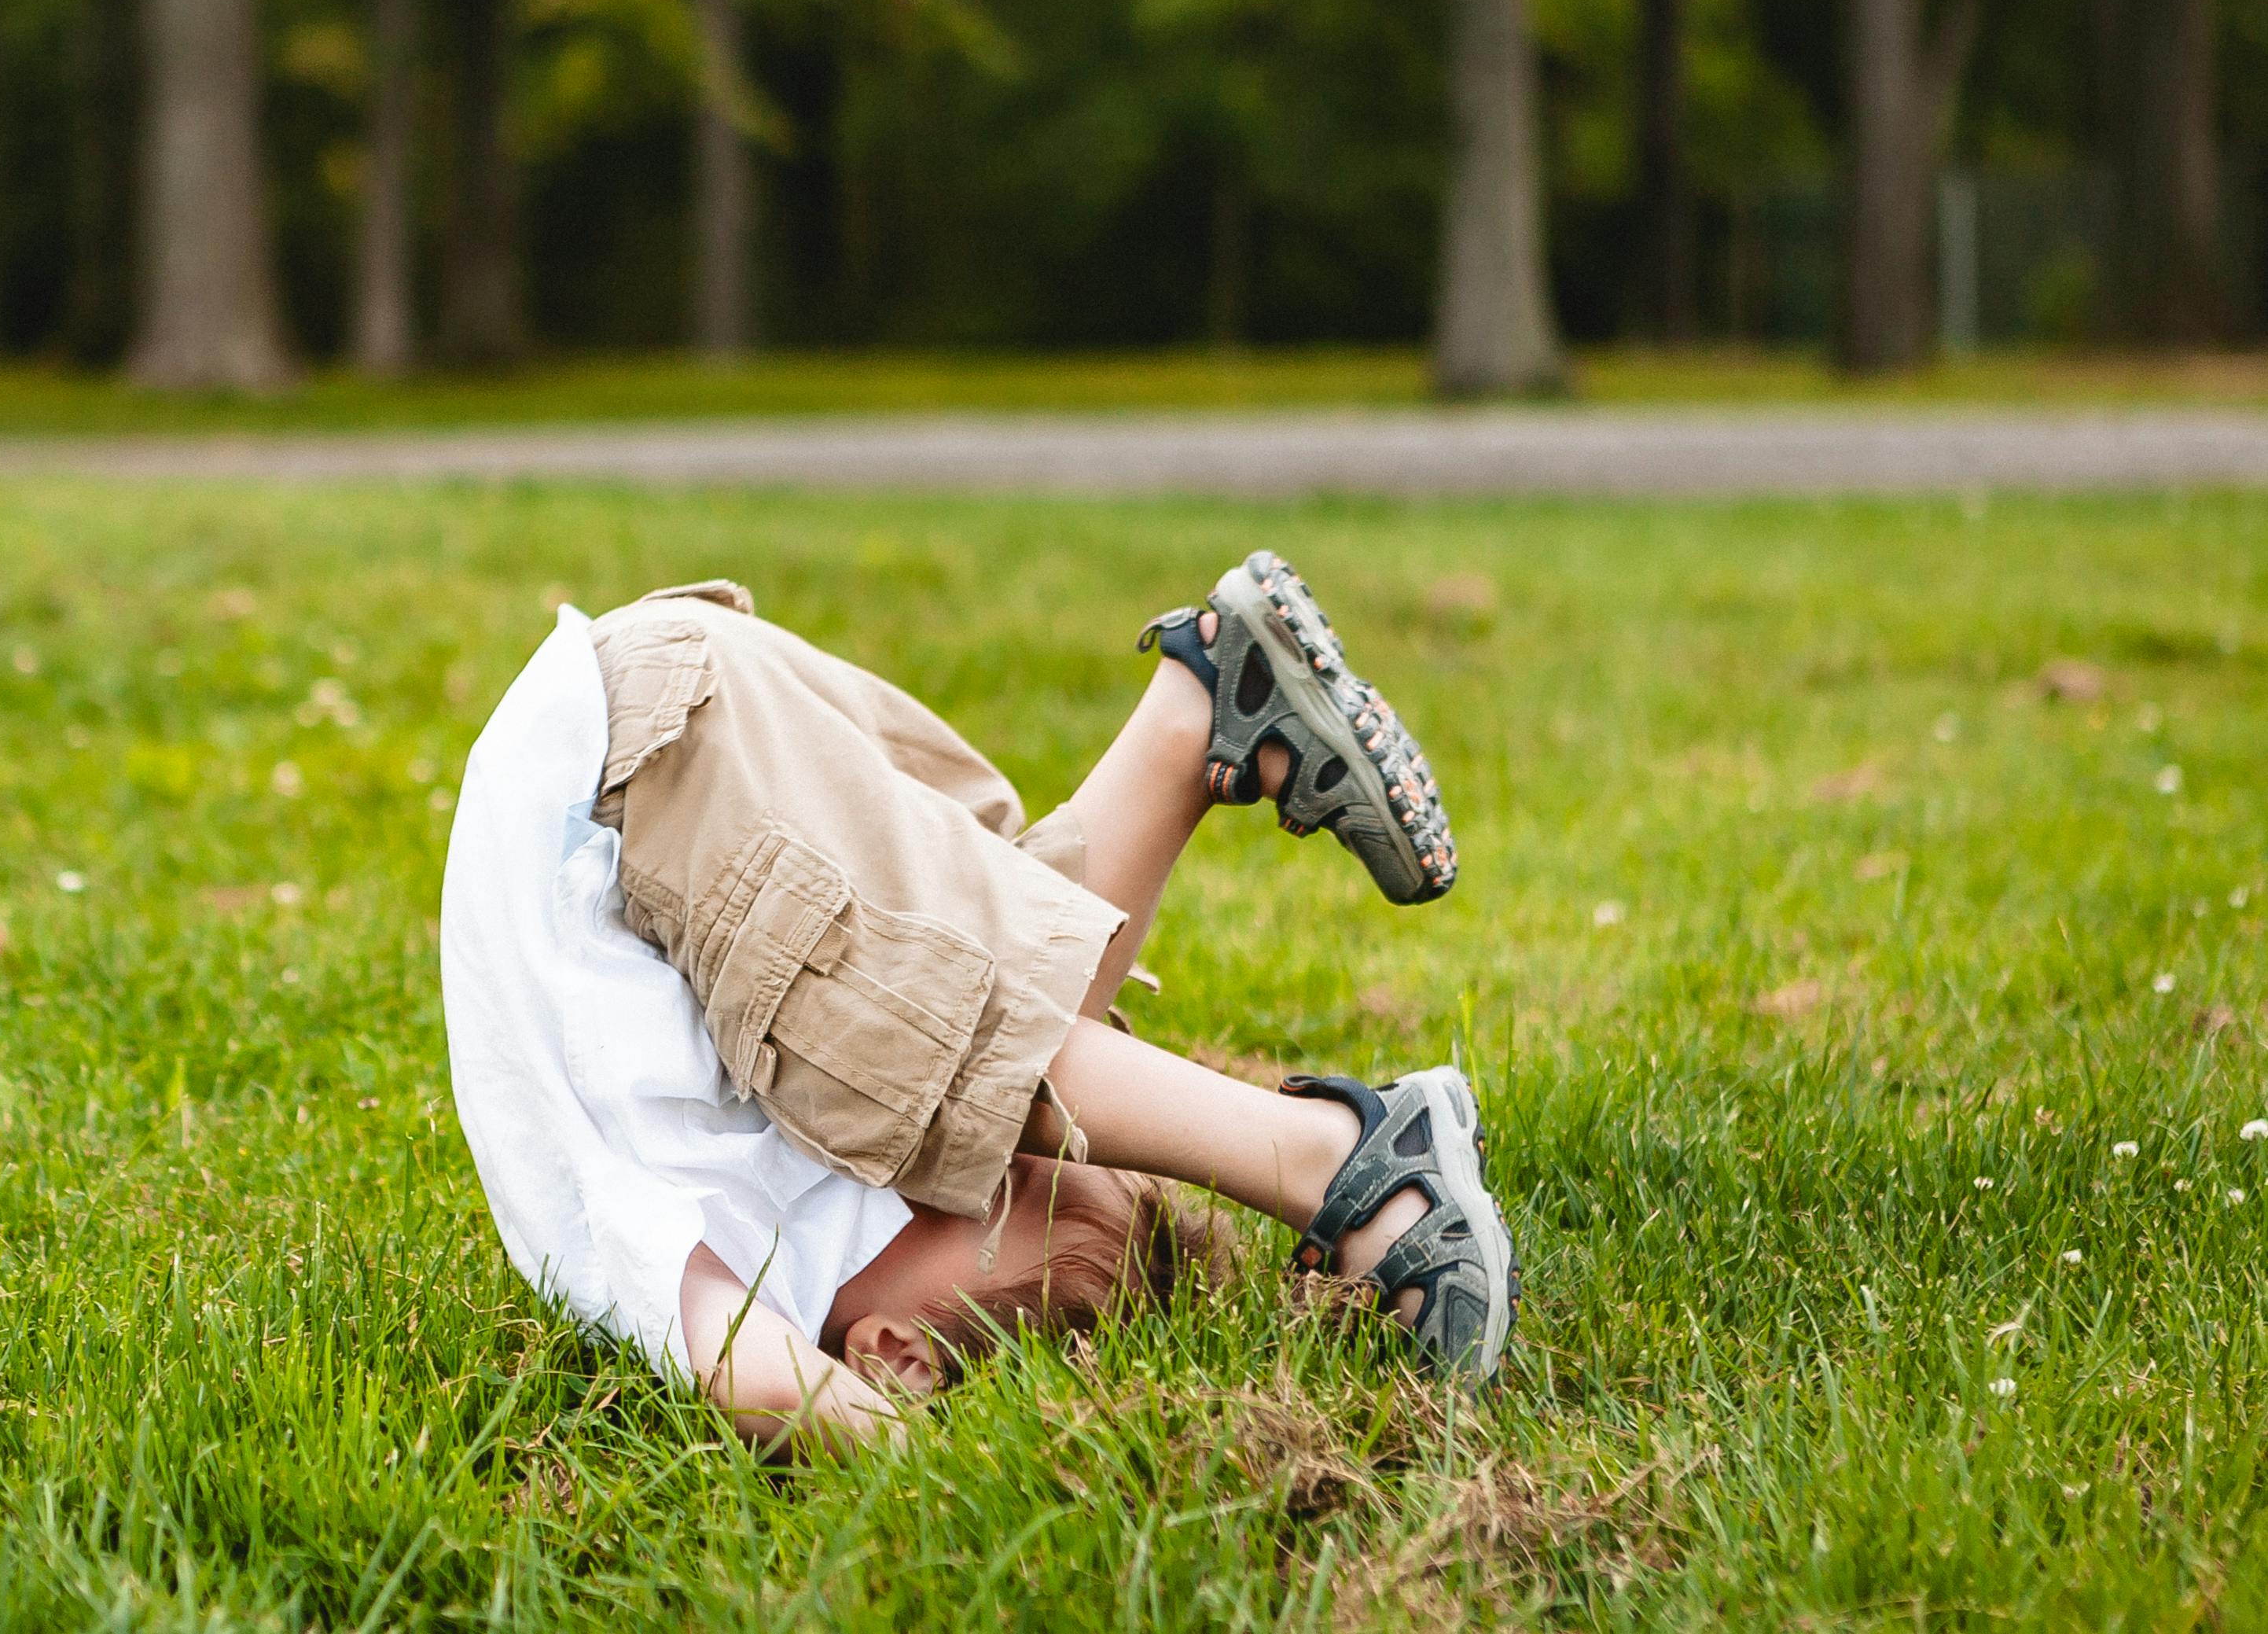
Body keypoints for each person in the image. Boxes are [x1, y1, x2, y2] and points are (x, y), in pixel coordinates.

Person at [438, 552, 1513, 1454]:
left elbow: (751, 1374)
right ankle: (1332, 1155)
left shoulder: (735, 1266)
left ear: (893, 1349)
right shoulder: (839, 1190)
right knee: (944, 1035)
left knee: (943, 1028)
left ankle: (1200, 717)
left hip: (622, 776)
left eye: (1005, 1185)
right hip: (666, 744)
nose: (995, 1163)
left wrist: (910, 1449)